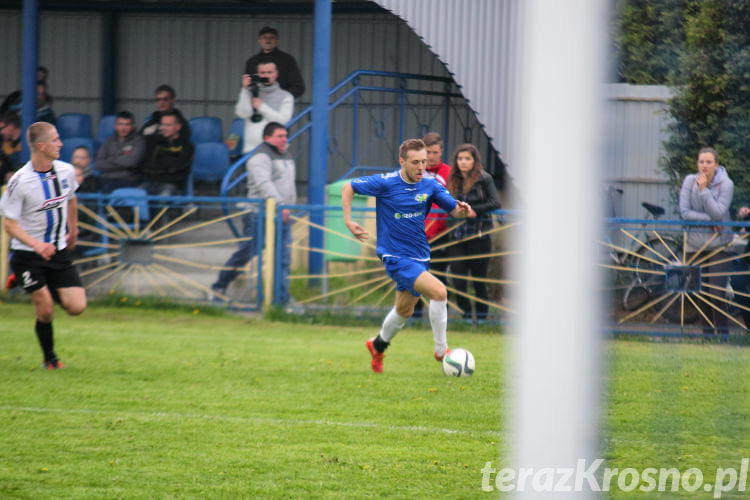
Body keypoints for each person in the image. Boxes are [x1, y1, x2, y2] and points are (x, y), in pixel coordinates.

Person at [342, 138, 476, 373]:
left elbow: (453, 209)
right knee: (439, 292)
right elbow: (348, 187)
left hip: (420, 256)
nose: (421, 167)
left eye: (424, 162)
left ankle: (377, 345)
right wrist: (348, 221)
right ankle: (441, 350)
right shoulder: (385, 182)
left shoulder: (431, 185)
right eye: (415, 162)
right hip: (395, 256)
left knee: (404, 311)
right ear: (402, 161)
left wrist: (462, 211)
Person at [0, 122, 87, 369]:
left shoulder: (66, 171)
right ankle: (50, 359)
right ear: (41, 146)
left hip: (57, 252)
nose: (61, 144)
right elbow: (9, 225)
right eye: (56, 139)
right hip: (28, 254)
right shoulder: (20, 181)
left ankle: (32, 282)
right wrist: (36, 244)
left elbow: (71, 199)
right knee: (46, 309)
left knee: (77, 307)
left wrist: (73, 228)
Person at [210, 122, 296, 303]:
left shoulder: (286, 155)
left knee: (282, 259)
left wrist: (288, 207)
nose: (284, 139)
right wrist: (281, 204)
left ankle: (281, 299)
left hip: (282, 215)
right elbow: (264, 184)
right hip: (259, 215)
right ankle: (219, 287)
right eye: (279, 136)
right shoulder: (259, 157)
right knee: (247, 253)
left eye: (285, 135)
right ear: (267, 137)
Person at [679, 146, 734, 335]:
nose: (704, 166)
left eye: (708, 162)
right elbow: (685, 213)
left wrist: (704, 191)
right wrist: (711, 221)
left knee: (717, 293)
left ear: (716, 165)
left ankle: (723, 336)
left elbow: (719, 212)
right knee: (699, 293)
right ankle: (707, 337)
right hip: (695, 245)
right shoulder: (689, 181)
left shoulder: (726, 184)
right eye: (701, 162)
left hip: (719, 244)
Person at [446, 144, 502, 323]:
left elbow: (495, 203)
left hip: (479, 236)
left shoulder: (484, 178)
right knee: (458, 280)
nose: (463, 162)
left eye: (467, 159)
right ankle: (467, 315)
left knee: (479, 280)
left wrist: (474, 210)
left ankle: (482, 318)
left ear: (474, 161)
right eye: (460, 159)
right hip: (457, 236)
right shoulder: (453, 179)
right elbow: (447, 203)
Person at [412, 132, 452, 319]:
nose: (432, 156)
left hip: (440, 235)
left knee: (439, 277)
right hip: (416, 234)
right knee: (414, 277)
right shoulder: (416, 172)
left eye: (435, 152)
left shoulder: (449, 173)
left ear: (441, 152)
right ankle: (415, 315)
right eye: (428, 152)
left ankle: (443, 317)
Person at [235, 61, 294, 154]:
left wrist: (261, 107)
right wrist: (244, 90)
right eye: (262, 73)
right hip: (251, 150)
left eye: (269, 72)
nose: (266, 75)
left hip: (275, 150)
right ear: (257, 74)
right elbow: (242, 113)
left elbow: (283, 120)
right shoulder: (249, 92)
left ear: (276, 74)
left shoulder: (286, 96)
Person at [140, 111, 194, 196]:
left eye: (168, 125)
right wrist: (168, 161)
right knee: (136, 196)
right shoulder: (155, 143)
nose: (164, 128)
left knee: (164, 197)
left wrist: (159, 163)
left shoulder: (188, 146)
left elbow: (177, 166)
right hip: (151, 183)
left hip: (172, 185)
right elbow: (146, 165)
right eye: (162, 125)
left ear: (178, 127)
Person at [244, 26, 305, 99]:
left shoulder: (287, 60)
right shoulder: (252, 62)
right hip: (258, 103)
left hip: (280, 104)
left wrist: (280, 97)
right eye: (264, 37)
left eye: (271, 38)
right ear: (259, 40)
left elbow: (298, 87)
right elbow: (247, 85)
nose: (268, 40)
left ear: (277, 40)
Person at [95, 111, 146, 193]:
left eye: (127, 124)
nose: (123, 128)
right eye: (120, 124)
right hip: (105, 179)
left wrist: (110, 159)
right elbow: (98, 164)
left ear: (133, 126)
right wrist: (121, 159)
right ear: (115, 126)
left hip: (127, 180)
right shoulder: (109, 141)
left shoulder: (138, 141)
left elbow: (131, 162)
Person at [1, 112, 23, 185]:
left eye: (2, 128)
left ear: (11, 125)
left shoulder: (27, 142)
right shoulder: (5, 144)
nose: (1, 132)